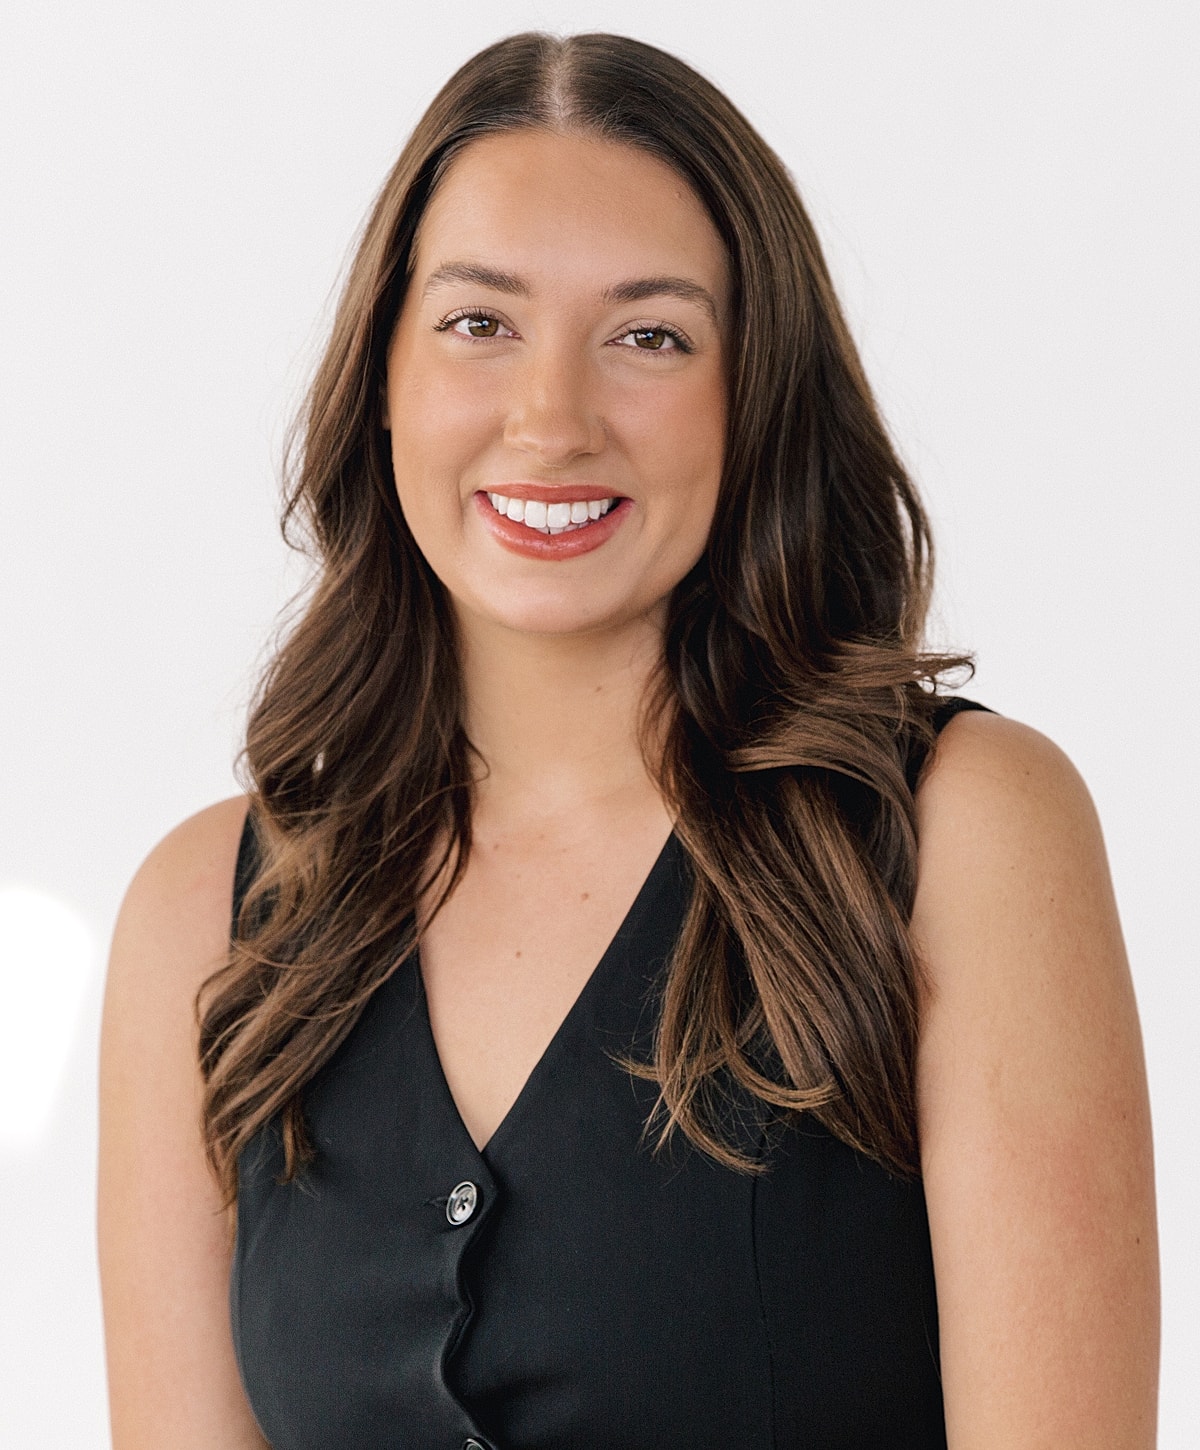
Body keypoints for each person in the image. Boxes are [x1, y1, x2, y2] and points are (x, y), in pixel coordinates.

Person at [97, 31, 1159, 1450]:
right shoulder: (205, 922)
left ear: (755, 393)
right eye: (481, 323)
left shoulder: (958, 832)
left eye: (649, 335)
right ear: (385, 376)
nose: (552, 419)